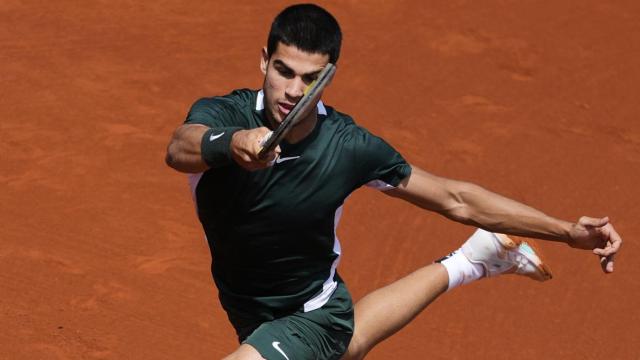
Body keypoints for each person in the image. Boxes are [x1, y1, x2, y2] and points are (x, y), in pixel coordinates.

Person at [165, 4, 622, 360]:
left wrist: (566, 231)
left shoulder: (349, 146)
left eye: (309, 79)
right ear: (264, 61)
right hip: (248, 305)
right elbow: (181, 147)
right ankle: (475, 257)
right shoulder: (226, 113)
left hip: (313, 315)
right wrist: (235, 143)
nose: (292, 91)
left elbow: (455, 198)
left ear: (327, 80)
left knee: (330, 339)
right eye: (283, 71)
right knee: (350, 347)